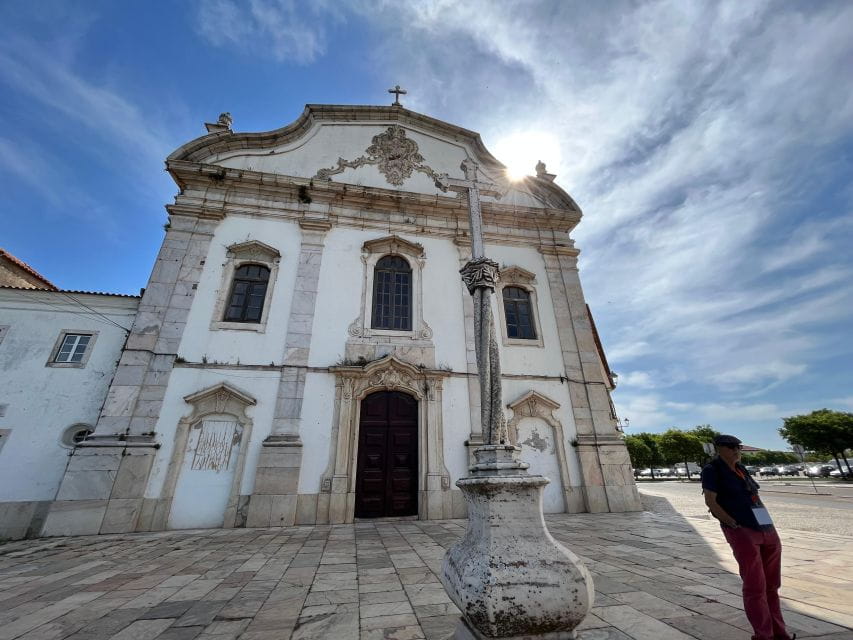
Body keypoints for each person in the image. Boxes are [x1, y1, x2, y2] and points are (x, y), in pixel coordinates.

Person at [701, 434, 795, 640]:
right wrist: (732, 524)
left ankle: (780, 631)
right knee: (755, 585)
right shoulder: (712, 470)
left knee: (772, 584)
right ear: (718, 448)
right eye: (731, 446)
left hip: (765, 527)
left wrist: (769, 524)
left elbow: (754, 495)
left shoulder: (741, 469)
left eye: (738, 447)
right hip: (742, 529)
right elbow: (711, 501)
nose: (736, 450)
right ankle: (763, 634)